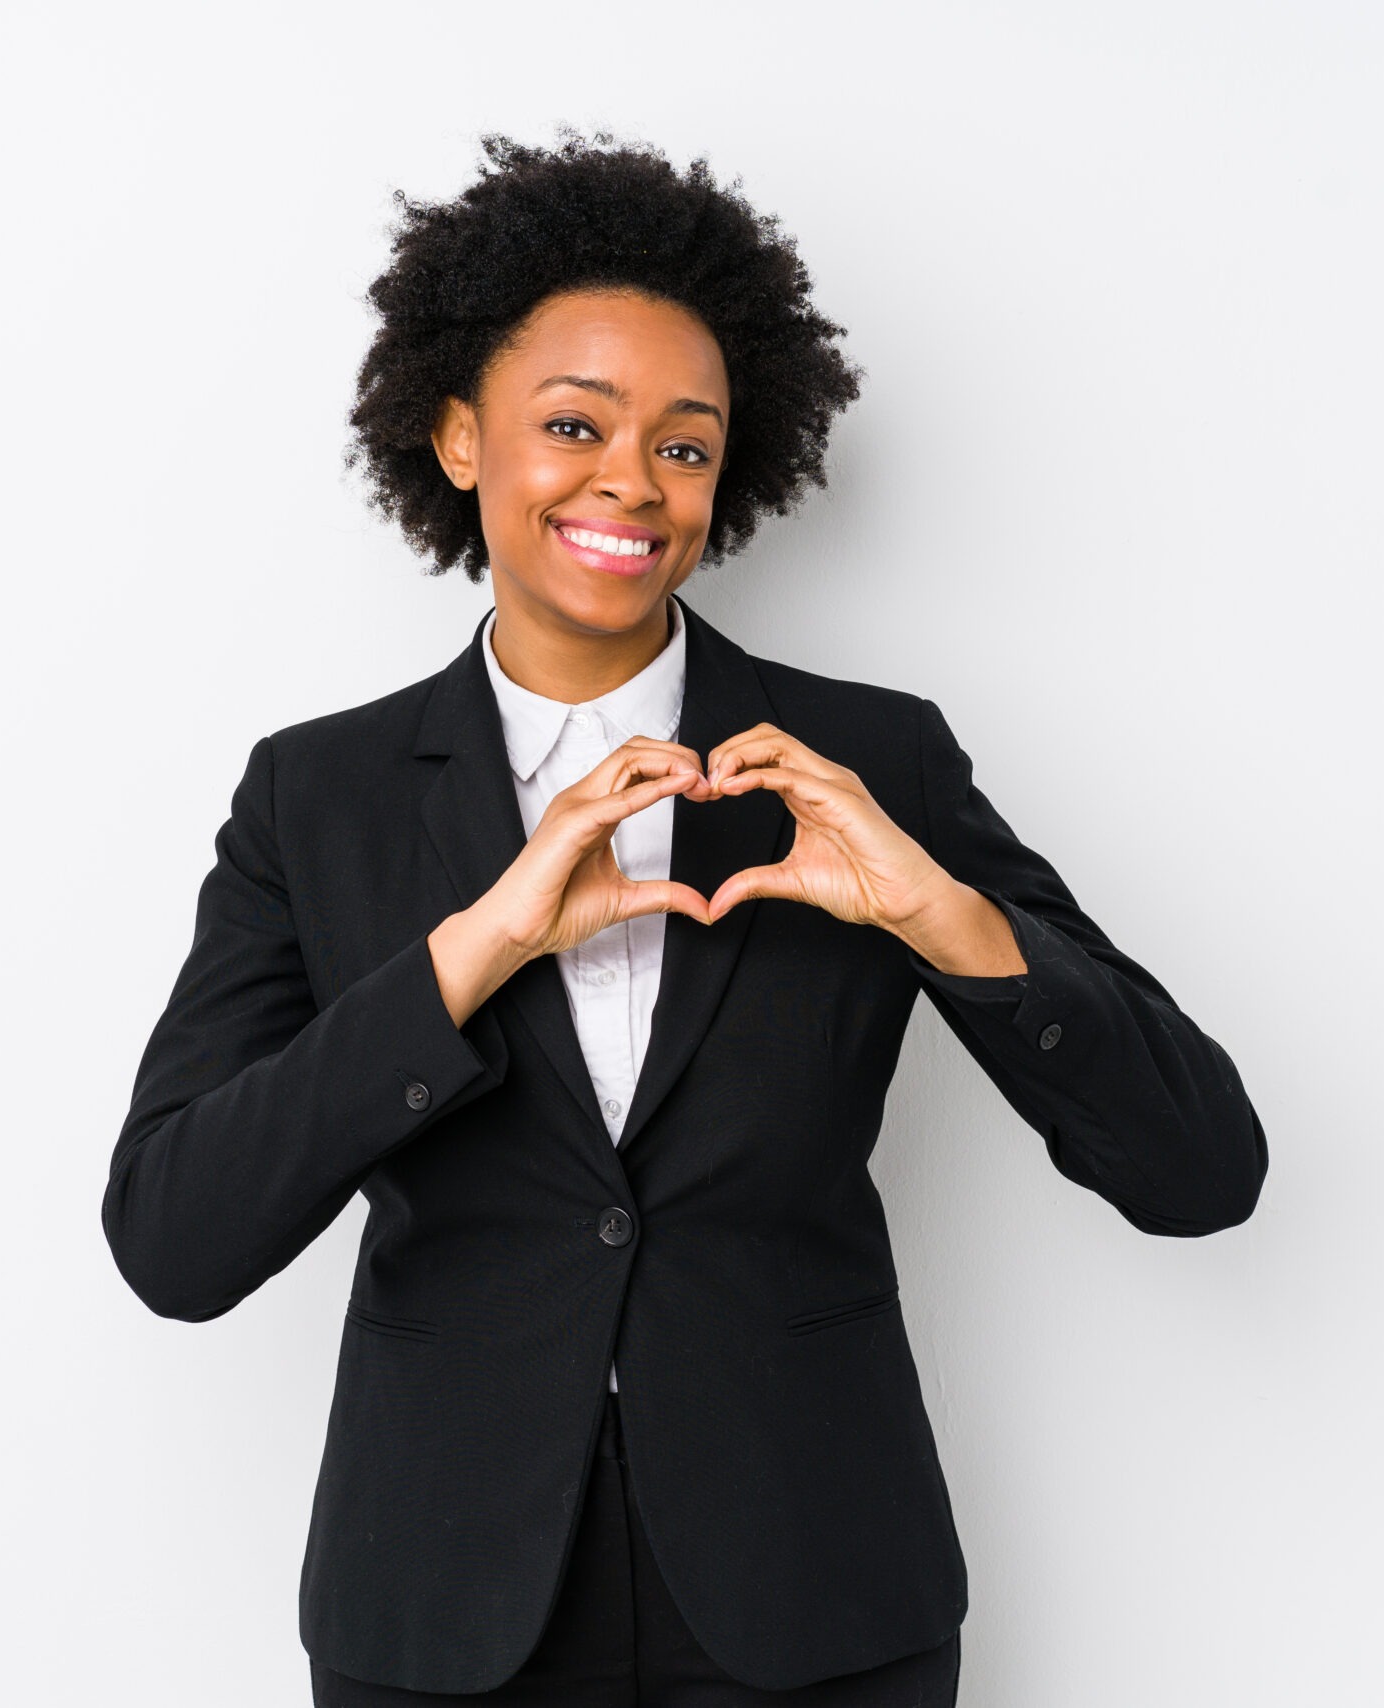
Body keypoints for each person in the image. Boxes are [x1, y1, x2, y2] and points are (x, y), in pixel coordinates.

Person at [102, 133, 1269, 1706]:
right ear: (457, 437)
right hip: (442, 1612)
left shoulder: (872, 763)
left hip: (817, 1605)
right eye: (573, 425)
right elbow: (175, 1238)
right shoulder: (320, 797)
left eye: (685, 445)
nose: (629, 484)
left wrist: (945, 917)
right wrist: (476, 952)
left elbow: (1204, 1173)